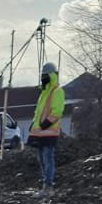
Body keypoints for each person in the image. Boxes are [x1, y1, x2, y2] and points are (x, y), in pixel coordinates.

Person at [29, 63, 65, 194]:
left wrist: (45, 124)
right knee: (42, 160)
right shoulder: (44, 93)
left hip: (49, 132)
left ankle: (48, 186)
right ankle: (46, 184)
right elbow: (38, 112)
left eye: (45, 75)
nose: (43, 78)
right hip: (40, 133)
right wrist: (34, 125)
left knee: (48, 159)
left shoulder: (57, 91)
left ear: (51, 76)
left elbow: (57, 112)